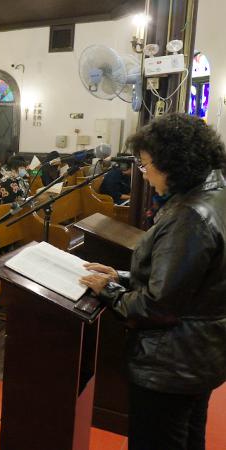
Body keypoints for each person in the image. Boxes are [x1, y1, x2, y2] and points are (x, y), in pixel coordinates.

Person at [79, 113, 226, 450]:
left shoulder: (190, 215)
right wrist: (122, 275)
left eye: (145, 166)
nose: (143, 175)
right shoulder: (217, 195)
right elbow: (189, 278)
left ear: (173, 163)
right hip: (201, 352)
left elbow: (158, 305)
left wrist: (110, 291)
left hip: (169, 362)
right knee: (188, 437)